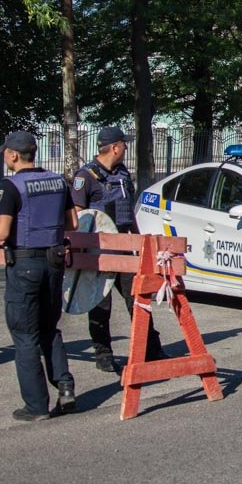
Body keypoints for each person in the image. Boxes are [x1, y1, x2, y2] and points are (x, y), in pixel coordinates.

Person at [0, 131, 77, 421]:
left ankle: (36, 406)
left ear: (14, 155)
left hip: (25, 263)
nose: (5, 157)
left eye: (5, 153)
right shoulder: (58, 181)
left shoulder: (11, 186)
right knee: (48, 327)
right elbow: (73, 223)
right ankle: (65, 387)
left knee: (24, 334)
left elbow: (2, 232)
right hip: (54, 261)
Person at [70, 126, 167, 371]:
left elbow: (129, 211)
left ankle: (151, 348)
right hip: (99, 250)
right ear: (114, 147)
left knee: (137, 299)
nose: (126, 148)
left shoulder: (123, 174)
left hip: (126, 246)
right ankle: (103, 354)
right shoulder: (86, 176)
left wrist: (138, 240)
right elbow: (79, 216)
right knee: (100, 304)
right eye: (124, 144)